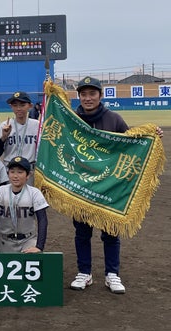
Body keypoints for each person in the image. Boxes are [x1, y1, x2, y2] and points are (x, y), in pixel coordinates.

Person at [69, 77, 129, 293]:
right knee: (82, 233)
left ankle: (112, 274)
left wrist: (152, 135)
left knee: (111, 233)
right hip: (81, 188)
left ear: (100, 95)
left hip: (109, 189)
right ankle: (84, 273)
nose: (87, 98)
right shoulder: (72, 120)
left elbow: (132, 145)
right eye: (83, 94)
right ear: (79, 97)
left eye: (92, 94)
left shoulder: (114, 119)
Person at [0, 156, 48, 253]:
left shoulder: (34, 193)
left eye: (20, 172)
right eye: (12, 172)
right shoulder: (0, 191)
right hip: (5, 241)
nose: (15, 176)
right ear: (8, 174)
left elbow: (42, 219)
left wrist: (39, 246)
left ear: (28, 175)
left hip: (28, 240)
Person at [0, 91, 40, 185]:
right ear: (11, 107)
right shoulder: (5, 125)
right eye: (15, 105)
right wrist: (3, 137)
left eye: (22, 105)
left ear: (30, 106)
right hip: (10, 171)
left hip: (31, 171)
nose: (18, 108)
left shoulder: (37, 126)